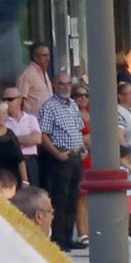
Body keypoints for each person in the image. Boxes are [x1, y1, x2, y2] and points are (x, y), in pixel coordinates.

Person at [39, 75, 88, 249]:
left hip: (76, 157)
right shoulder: (49, 107)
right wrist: (57, 154)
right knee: (60, 199)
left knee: (73, 198)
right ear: (54, 85)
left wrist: (83, 150)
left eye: (68, 84)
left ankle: (68, 237)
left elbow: (78, 130)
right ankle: (59, 239)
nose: (65, 87)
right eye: (62, 84)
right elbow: (43, 134)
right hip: (61, 157)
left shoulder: (73, 105)